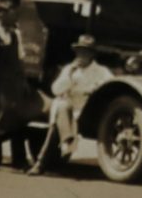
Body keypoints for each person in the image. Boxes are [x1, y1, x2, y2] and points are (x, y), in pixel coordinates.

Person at [29, 33, 112, 175]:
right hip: (67, 108)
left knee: (59, 117)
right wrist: (69, 77)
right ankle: (64, 141)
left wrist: (94, 90)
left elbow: (110, 88)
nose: (81, 55)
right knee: (62, 107)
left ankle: (42, 161)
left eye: (85, 52)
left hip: (87, 111)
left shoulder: (102, 72)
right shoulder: (70, 69)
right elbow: (55, 89)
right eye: (79, 52)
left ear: (92, 55)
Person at [0, 2, 39, 172]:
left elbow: (20, 61)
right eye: (11, 14)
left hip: (14, 85)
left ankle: (18, 160)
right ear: (1, 15)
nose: (15, 17)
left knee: (19, 120)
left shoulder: (15, 35)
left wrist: (24, 81)